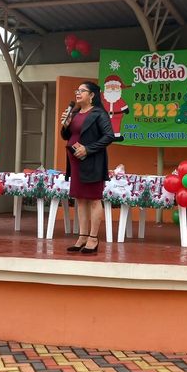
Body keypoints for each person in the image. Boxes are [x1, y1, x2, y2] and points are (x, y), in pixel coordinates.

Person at [60, 82, 115, 254]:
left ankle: (93, 238)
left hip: (92, 161)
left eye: (82, 91)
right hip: (75, 162)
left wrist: (88, 149)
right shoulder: (75, 113)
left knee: (93, 199)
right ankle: (82, 236)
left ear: (92, 95)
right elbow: (67, 136)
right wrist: (65, 125)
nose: (78, 93)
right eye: (77, 90)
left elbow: (109, 136)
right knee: (80, 199)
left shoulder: (98, 113)